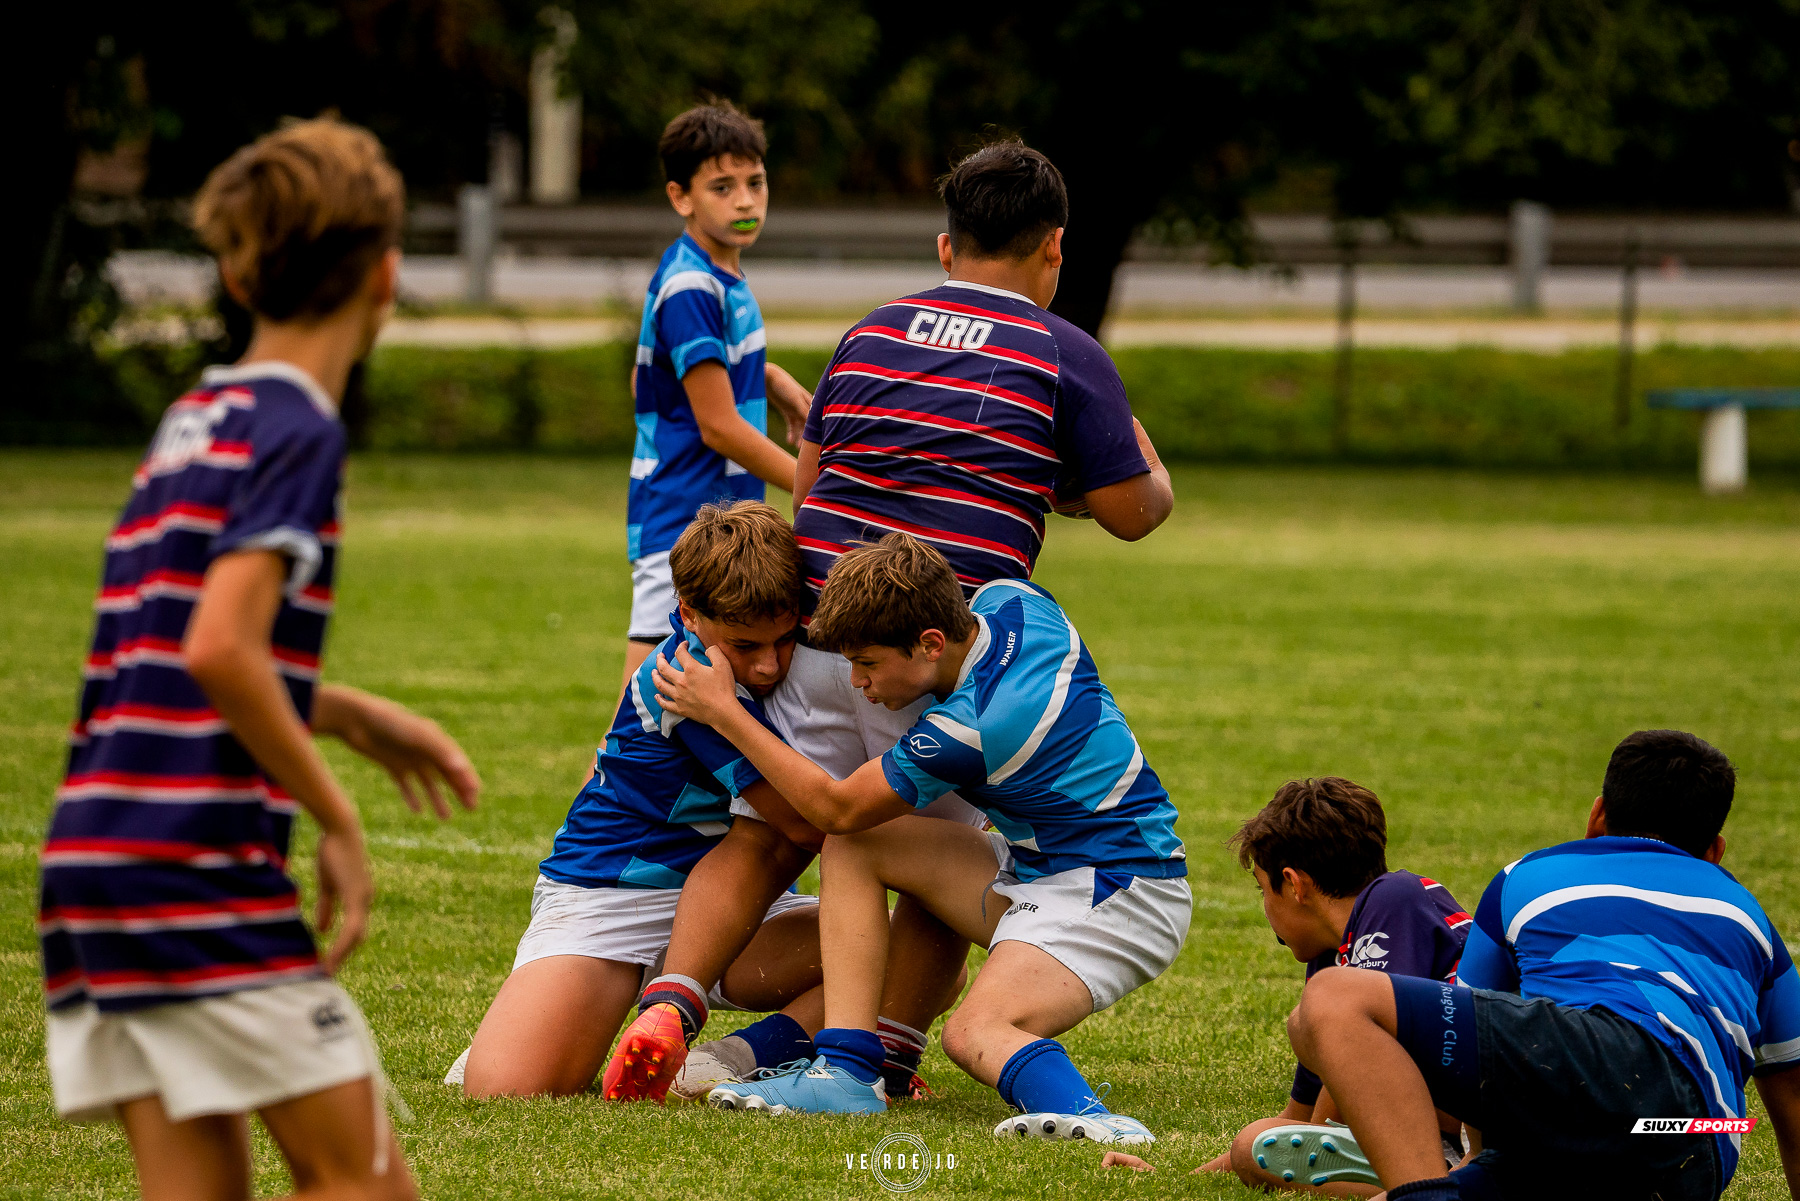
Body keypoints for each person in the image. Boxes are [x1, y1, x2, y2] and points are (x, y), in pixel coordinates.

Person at [38, 119, 481, 1201]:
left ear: (237, 275)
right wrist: (335, 813)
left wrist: (346, 712)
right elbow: (218, 645)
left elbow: (160, 652)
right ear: (386, 274)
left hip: (95, 860)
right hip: (194, 864)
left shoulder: (195, 417)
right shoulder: (299, 430)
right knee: (363, 1183)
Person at [652, 533, 1192, 1142]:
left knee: (973, 1032)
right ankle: (847, 1073)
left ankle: (1097, 1123)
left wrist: (724, 713)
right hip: (1042, 866)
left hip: (1123, 891)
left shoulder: (972, 727)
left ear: (932, 643)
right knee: (861, 846)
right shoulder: (1014, 601)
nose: (858, 682)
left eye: (868, 663)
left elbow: (835, 807)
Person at [455, 502, 962, 1100]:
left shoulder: (759, 670)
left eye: (784, 641)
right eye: (745, 646)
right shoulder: (681, 676)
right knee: (504, 1088)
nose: (768, 666)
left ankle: (737, 1057)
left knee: (909, 959)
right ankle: (540, 1017)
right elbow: (801, 824)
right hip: (614, 897)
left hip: (729, 910)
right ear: (689, 614)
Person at [1285, 730, 1800, 1201]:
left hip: (1591, 1066)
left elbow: (1474, 1030)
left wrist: (1472, 1154)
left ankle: (1422, 1190)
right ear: (1715, 851)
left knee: (1333, 996)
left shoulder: (1529, 876)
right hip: (1696, 1142)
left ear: (1597, 817)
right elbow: (1794, 1110)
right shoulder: (1753, 921)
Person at [1105, 778, 1471, 1192]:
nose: (1265, 907)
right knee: (1254, 1144)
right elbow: (1295, 1124)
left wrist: (1314, 1137)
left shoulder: (1394, 897)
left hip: (1489, 1107)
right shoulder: (1331, 956)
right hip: (1447, 1130)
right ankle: (1441, 1180)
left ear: (1294, 885)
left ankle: (1445, 1177)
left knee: (1271, 1111)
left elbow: (1322, 1125)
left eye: (1263, 889)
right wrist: (1181, 1180)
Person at [623, 100, 814, 692]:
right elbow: (718, 426)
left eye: (755, 183)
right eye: (722, 187)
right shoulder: (691, 286)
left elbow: (650, 381)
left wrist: (769, 378)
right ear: (681, 197)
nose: (745, 202)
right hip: (682, 523)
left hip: (716, 523)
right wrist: (812, 486)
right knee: (642, 712)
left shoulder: (717, 274)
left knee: (709, 703)